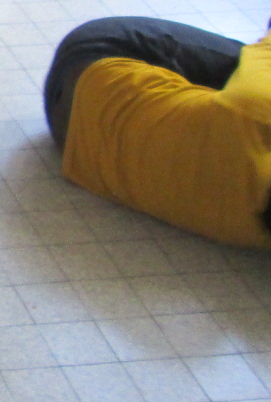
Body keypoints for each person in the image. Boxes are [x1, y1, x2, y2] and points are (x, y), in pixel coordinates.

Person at [45, 16, 271, 247]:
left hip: (92, 61)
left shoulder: (256, 110)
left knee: (245, 64)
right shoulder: (254, 234)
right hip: (76, 142)